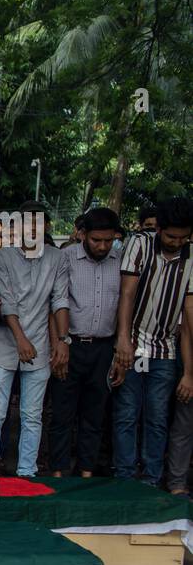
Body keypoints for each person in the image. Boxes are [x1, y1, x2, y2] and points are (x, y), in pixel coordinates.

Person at [0, 204, 68, 477]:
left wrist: (63, 340)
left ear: (46, 227)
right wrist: (21, 340)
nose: (32, 229)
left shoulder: (57, 258)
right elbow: (7, 301)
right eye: (27, 223)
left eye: (38, 224)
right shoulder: (3, 257)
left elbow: (60, 300)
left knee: (32, 415)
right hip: (5, 344)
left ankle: (27, 471)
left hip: (39, 343)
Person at [111, 197, 193, 485]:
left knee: (157, 418)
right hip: (134, 345)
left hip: (165, 350)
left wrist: (189, 372)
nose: (177, 242)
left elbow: (188, 314)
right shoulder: (139, 243)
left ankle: (151, 481)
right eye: (172, 236)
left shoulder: (191, 254)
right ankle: (124, 478)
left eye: (184, 237)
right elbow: (127, 294)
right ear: (159, 229)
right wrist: (123, 341)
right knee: (128, 413)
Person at [47, 207, 123, 478]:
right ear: (82, 235)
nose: (102, 246)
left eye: (108, 240)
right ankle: (58, 471)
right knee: (62, 413)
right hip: (71, 344)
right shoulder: (65, 258)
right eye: (96, 240)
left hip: (104, 348)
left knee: (94, 414)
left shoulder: (121, 259)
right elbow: (57, 301)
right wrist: (60, 342)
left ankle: (86, 472)